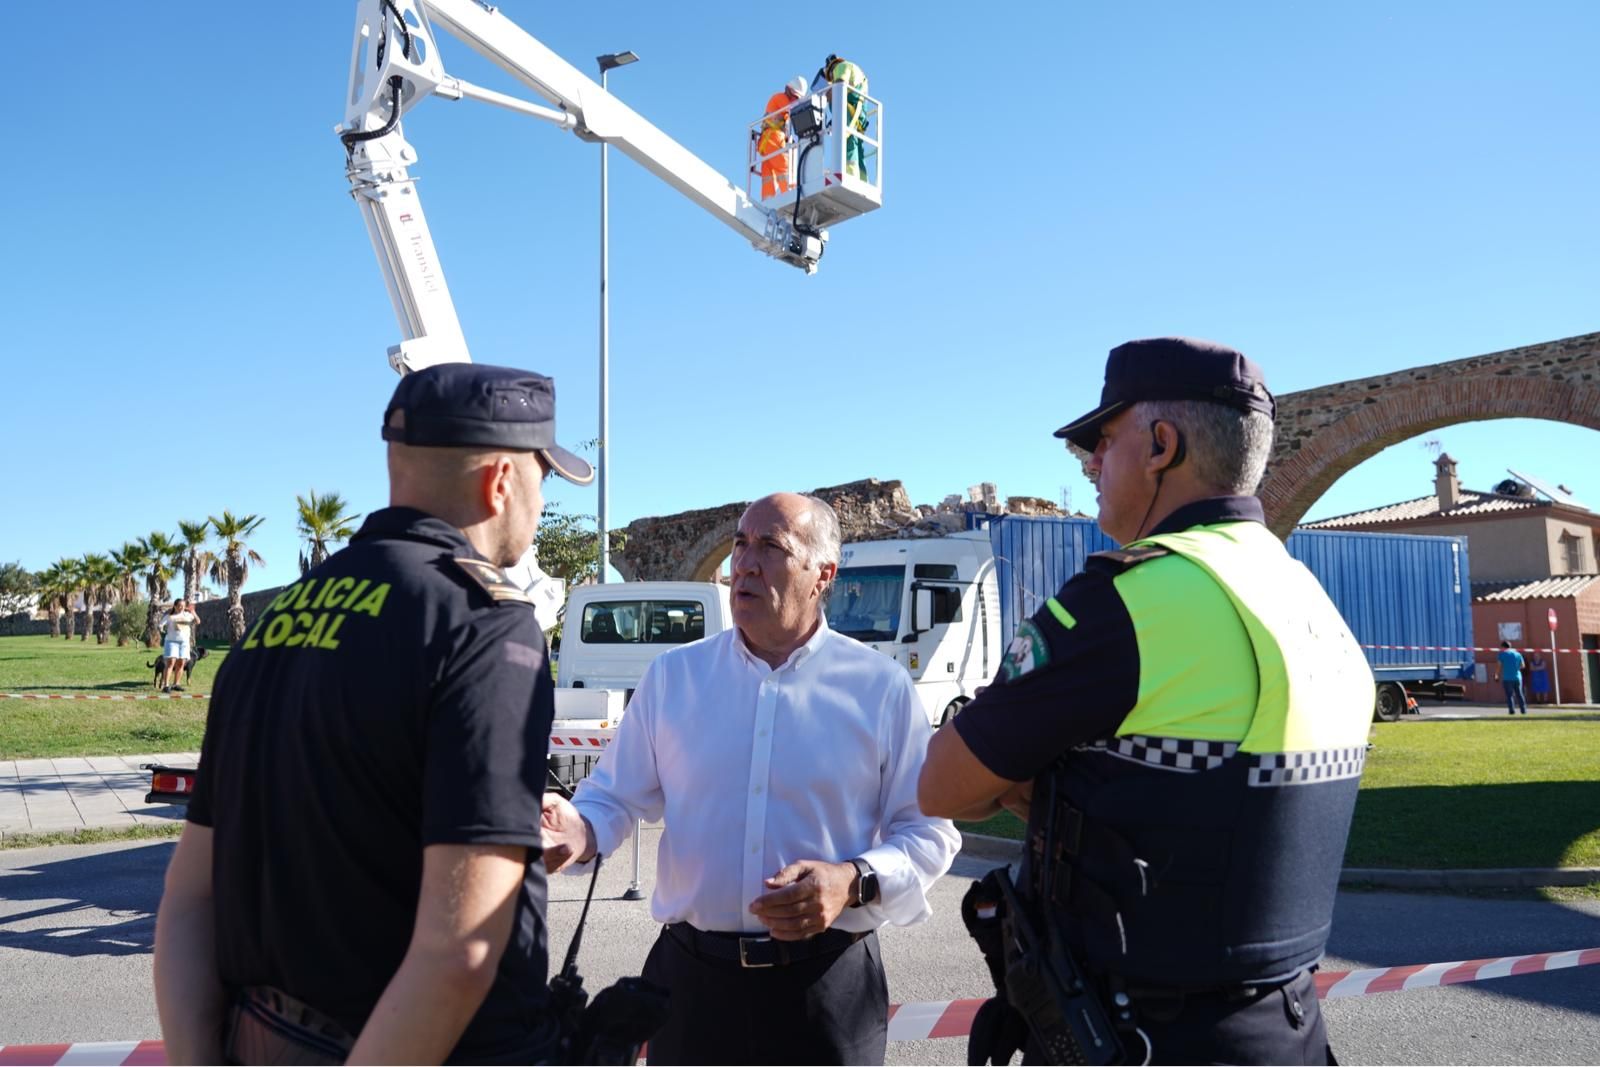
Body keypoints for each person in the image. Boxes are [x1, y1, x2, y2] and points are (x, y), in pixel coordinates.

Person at [918, 337, 1376, 1065]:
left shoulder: (1127, 599)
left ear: (1161, 445)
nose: (1091, 464)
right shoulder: (1302, 593)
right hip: (1286, 1026)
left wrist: (1036, 783)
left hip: (1137, 1033)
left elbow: (943, 785)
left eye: (1102, 441)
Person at [153, 363, 594, 1066]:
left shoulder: (275, 624)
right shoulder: (485, 628)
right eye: (542, 478)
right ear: (501, 481)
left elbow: (186, 903)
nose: (540, 504)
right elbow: (460, 951)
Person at [541, 492, 960, 1065]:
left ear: (822, 575)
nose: (745, 563)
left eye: (771, 547)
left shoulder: (880, 688)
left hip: (827, 991)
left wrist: (852, 880)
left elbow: (929, 832)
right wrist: (580, 829)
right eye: (740, 544)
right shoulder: (674, 677)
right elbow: (612, 796)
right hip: (691, 990)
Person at [812, 54, 870, 179]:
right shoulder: (853, 69)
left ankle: (850, 175)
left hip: (849, 113)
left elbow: (839, 87)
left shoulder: (840, 67)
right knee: (858, 147)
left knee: (848, 143)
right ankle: (862, 179)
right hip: (856, 114)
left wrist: (827, 93)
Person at [756, 76, 806, 199]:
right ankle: (791, 194)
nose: (795, 101)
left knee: (769, 174)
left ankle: (768, 199)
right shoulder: (781, 98)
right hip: (773, 138)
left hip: (768, 141)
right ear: (789, 91)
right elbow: (794, 113)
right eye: (795, 97)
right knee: (784, 167)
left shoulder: (778, 99)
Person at [160, 598, 199, 692]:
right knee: (171, 663)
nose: (181, 607)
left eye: (183, 606)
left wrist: (193, 612)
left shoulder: (188, 615)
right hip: (171, 642)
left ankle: (176, 684)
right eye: (179, 606)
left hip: (184, 643)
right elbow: (160, 625)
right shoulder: (170, 616)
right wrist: (162, 629)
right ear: (175, 606)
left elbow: (198, 621)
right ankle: (166, 686)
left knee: (181, 663)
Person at [1497, 640, 1528, 714]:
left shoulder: (1502, 654)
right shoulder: (1518, 654)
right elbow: (1523, 666)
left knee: (1509, 695)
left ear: (1503, 647)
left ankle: (1512, 711)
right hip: (1517, 677)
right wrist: (1515, 668)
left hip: (1507, 678)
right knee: (1519, 694)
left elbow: (1499, 666)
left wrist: (1496, 674)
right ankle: (1523, 710)